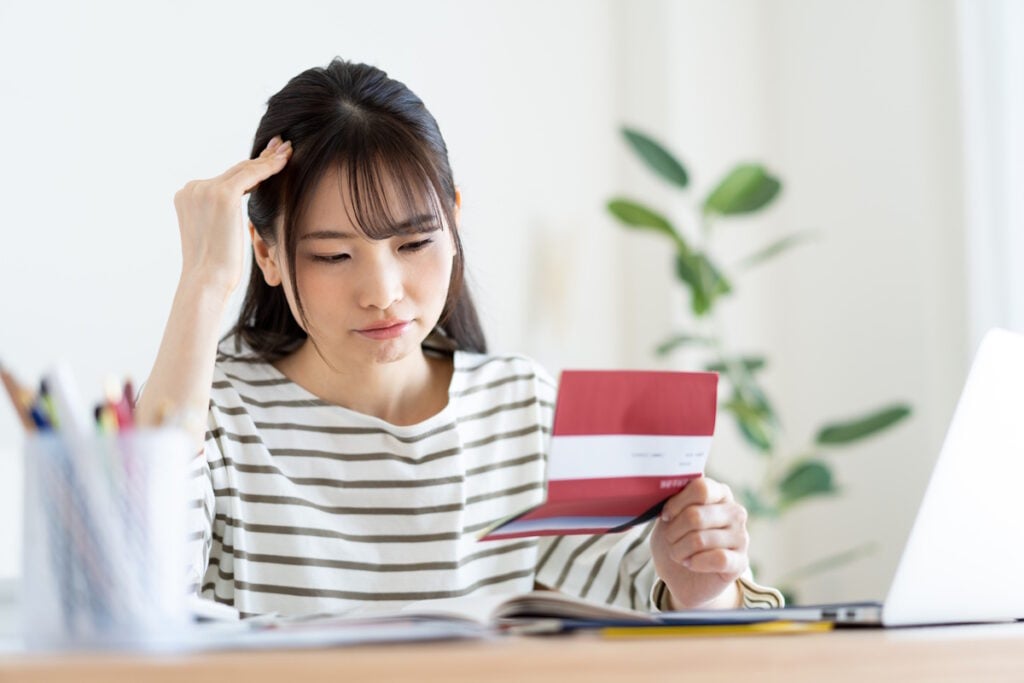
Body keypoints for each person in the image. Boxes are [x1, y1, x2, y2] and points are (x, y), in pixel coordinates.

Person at [137, 58, 782, 618]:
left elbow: (665, 605)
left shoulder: (523, 408)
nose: (383, 291)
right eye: (334, 256)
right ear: (268, 254)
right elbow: (132, 595)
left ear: (455, 222)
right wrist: (202, 283)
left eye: (415, 243)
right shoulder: (206, 408)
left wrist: (701, 588)